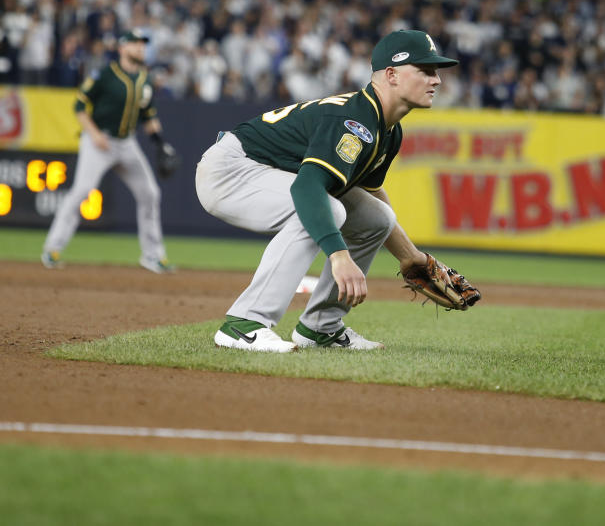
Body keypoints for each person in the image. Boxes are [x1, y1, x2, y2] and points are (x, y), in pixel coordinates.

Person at [195, 29, 458, 352]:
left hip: (269, 170)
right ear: (391, 74)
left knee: (378, 218)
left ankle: (321, 328)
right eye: (426, 70)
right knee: (328, 209)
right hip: (231, 170)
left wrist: (412, 258)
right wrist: (338, 254)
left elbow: (372, 197)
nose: (437, 80)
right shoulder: (352, 119)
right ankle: (244, 324)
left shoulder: (388, 131)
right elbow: (308, 188)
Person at [41, 29, 175, 274]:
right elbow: (79, 105)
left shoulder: (144, 78)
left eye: (143, 44)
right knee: (82, 191)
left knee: (150, 194)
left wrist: (160, 142)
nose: (140, 48)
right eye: (135, 43)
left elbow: (148, 114)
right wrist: (94, 134)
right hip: (98, 142)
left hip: (127, 143)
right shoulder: (105, 73)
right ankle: (52, 249)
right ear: (122, 48)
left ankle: (153, 256)